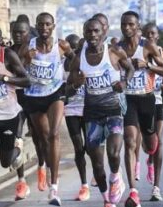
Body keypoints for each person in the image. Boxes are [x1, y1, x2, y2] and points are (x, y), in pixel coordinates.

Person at [68, 18, 134, 207]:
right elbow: (68, 91)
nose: (93, 35)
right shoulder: (79, 58)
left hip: (113, 112)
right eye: (89, 31)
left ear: (103, 32)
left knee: (113, 154)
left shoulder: (113, 52)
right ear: (84, 33)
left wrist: (124, 83)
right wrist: (75, 85)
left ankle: (116, 177)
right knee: (97, 164)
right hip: (92, 116)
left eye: (96, 31)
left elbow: (129, 69)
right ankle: (107, 199)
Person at [20, 12, 73, 206]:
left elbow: (75, 61)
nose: (44, 28)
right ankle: (44, 165)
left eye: (47, 25)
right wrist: (26, 59)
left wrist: (73, 80)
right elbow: (16, 67)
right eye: (41, 24)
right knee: (42, 139)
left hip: (54, 93)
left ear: (53, 26)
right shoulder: (29, 46)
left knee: (54, 134)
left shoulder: (61, 45)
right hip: (34, 96)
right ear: (37, 25)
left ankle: (54, 189)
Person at [119, 11, 163, 207]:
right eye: (124, 24)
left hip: (148, 99)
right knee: (130, 140)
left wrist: (147, 65)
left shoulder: (147, 46)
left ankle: (150, 158)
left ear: (137, 26)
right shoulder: (118, 49)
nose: (127, 28)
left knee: (150, 145)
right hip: (128, 100)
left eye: (131, 25)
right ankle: (133, 191)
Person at [0, 25, 30, 207]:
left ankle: (17, 150)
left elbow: (26, 81)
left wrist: (3, 78)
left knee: (5, 162)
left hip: (9, 116)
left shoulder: (8, 56)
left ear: (0, 39)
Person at [11, 20, 47, 193]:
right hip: (14, 99)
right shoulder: (8, 52)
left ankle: (41, 167)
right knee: (16, 138)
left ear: (28, 34)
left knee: (38, 137)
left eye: (22, 32)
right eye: (15, 32)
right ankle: (21, 181)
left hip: (32, 96)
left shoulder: (36, 51)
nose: (18, 35)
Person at [142, 22, 163, 201]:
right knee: (149, 145)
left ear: (158, 36)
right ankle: (149, 157)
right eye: (146, 34)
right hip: (142, 101)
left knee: (159, 141)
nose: (150, 37)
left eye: (153, 34)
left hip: (159, 101)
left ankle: (156, 187)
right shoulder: (138, 53)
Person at [63, 34, 90, 201]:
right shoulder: (64, 64)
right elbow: (64, 92)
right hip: (72, 110)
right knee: (79, 149)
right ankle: (84, 185)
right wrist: (75, 85)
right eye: (71, 48)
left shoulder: (92, 62)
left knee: (92, 148)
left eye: (78, 48)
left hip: (89, 111)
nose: (74, 51)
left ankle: (99, 176)